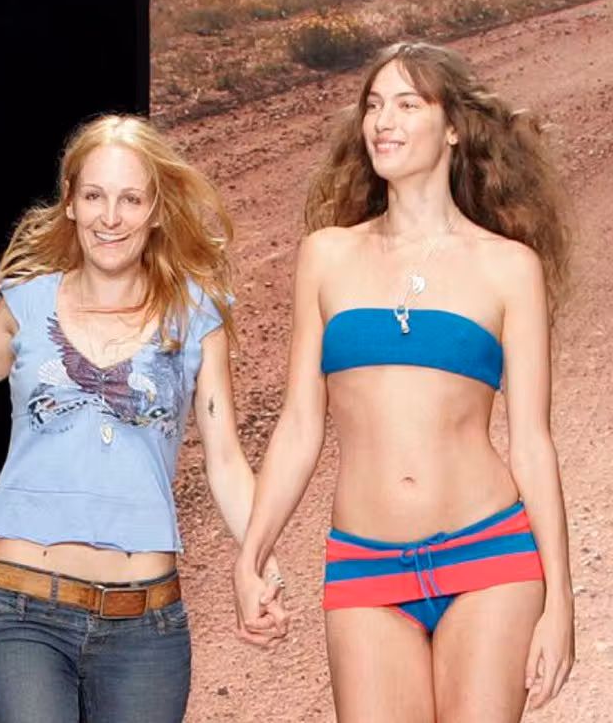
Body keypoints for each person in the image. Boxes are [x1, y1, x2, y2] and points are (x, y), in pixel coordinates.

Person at [0, 113, 288, 723]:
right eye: (94, 196)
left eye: (130, 199)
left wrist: (263, 563)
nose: (110, 217)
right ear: (70, 202)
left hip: (146, 626)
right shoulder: (27, 302)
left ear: (156, 210)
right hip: (21, 612)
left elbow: (225, 463)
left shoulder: (195, 318)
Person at [233, 41, 575, 721]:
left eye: (407, 104)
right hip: (363, 567)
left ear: (452, 128)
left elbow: (532, 443)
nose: (383, 121)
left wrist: (560, 601)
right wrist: (252, 554)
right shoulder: (327, 256)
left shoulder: (509, 268)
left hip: (489, 556)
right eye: (373, 106)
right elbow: (299, 423)